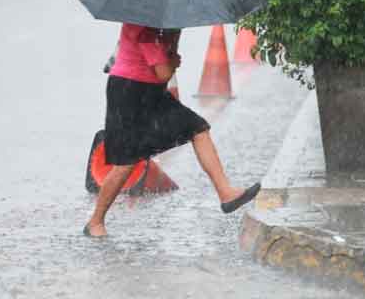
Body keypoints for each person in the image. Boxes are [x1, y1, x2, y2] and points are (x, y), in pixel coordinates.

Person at [84, 24, 261, 237]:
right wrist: (172, 60)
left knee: (197, 129)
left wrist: (174, 37)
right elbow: (164, 73)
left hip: (152, 92)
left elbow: (163, 74)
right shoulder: (144, 27)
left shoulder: (160, 25)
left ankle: (226, 193)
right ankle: (95, 222)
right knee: (126, 163)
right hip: (127, 93)